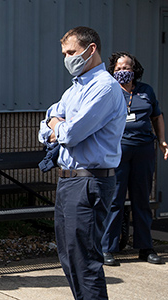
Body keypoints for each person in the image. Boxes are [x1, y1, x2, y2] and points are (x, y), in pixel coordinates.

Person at [38, 26, 126, 300]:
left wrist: (58, 127)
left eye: (71, 52)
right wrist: (56, 126)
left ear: (91, 50)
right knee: (69, 257)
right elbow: (46, 127)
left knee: (85, 261)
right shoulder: (75, 89)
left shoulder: (105, 88)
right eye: (64, 53)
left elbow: (73, 133)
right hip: (69, 181)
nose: (67, 58)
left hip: (90, 181)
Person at [102, 52, 168, 266]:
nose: (122, 71)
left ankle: (145, 247)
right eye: (118, 68)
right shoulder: (109, 91)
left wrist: (162, 140)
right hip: (118, 150)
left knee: (142, 199)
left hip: (144, 150)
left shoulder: (145, 90)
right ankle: (107, 248)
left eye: (126, 67)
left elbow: (157, 115)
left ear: (135, 69)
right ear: (113, 71)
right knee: (115, 199)